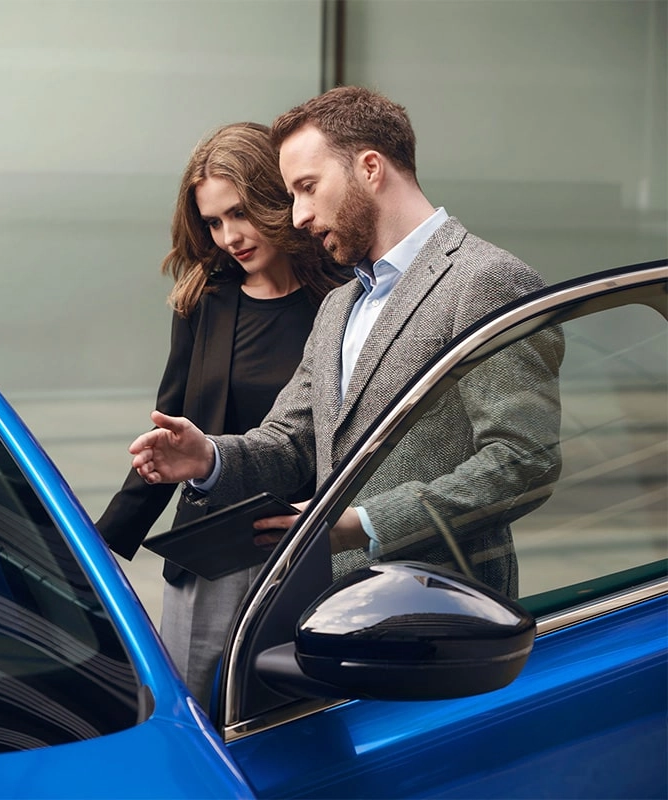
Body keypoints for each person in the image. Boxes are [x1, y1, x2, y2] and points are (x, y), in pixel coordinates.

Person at [129, 86, 563, 600]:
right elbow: (293, 442)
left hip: (448, 617)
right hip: (338, 611)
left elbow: (523, 462)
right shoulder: (341, 304)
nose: (297, 216)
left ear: (370, 168)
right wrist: (210, 457)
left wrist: (363, 524)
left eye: (307, 187)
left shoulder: (486, 280)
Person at [95, 122, 345, 708]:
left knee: (297, 719)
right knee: (193, 718)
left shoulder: (342, 299)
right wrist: (103, 542)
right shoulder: (205, 299)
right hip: (208, 558)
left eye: (240, 213)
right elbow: (172, 429)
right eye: (212, 221)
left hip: (306, 546)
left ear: (275, 197)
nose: (229, 235)